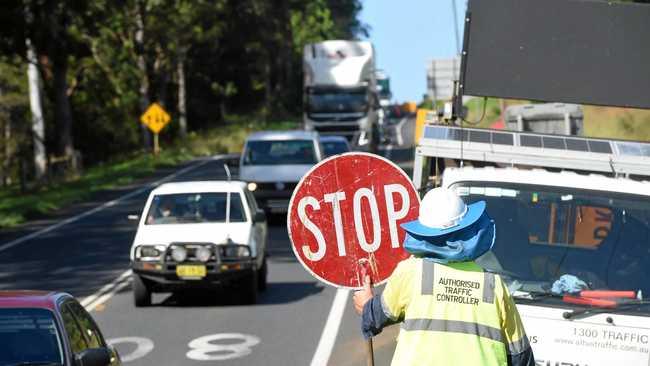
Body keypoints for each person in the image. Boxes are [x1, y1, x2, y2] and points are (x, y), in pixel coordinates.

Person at [353, 187, 535, 365]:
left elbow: (377, 316)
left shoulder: (410, 272)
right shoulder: (493, 286)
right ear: (469, 230)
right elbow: (520, 355)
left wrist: (367, 303)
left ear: (423, 233)